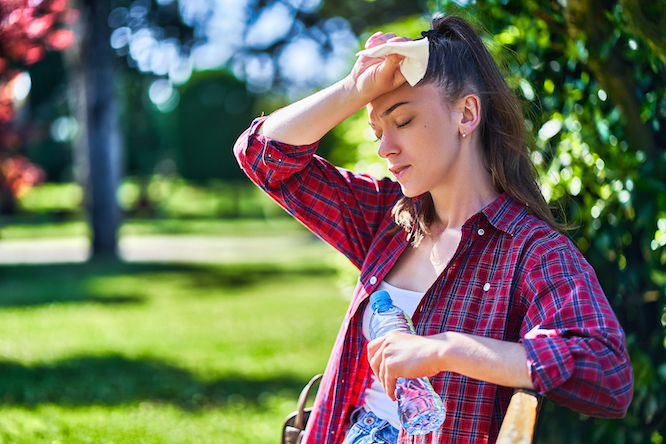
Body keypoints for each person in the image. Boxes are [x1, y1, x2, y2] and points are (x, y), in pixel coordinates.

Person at [233, 14, 633, 444]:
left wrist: (446, 349)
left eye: (402, 121)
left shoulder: (532, 253)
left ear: (466, 113)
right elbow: (263, 157)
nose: (385, 148)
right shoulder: (387, 219)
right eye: (376, 131)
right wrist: (357, 88)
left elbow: (607, 373)